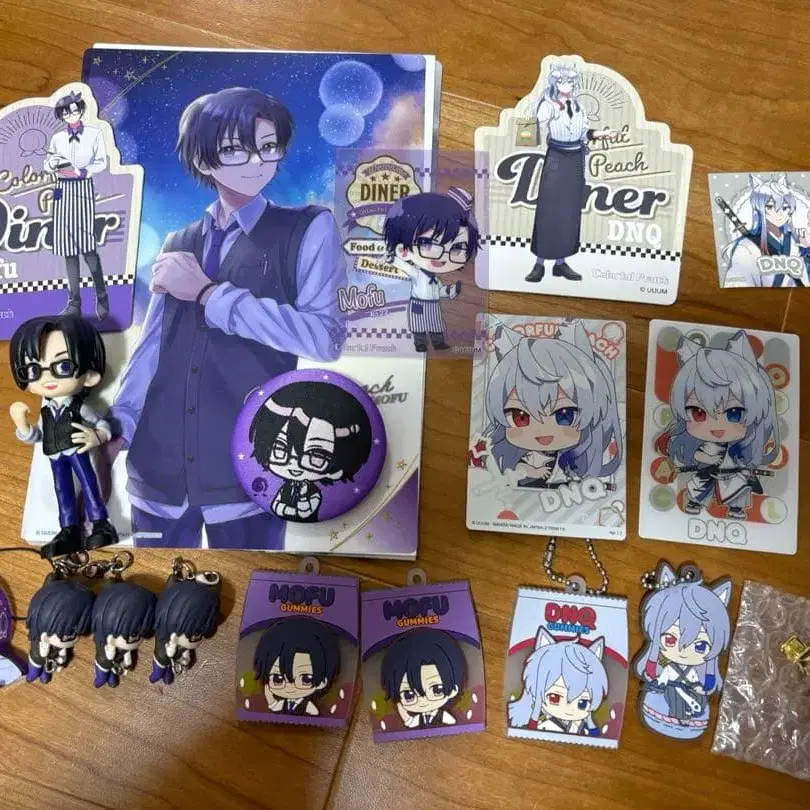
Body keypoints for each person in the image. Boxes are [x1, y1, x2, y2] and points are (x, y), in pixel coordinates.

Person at [106, 87, 346, 549]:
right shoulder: (178, 241)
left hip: (249, 473)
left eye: (268, 146)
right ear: (202, 158)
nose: (256, 162)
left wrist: (210, 295)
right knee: (151, 585)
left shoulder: (308, 228)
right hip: (157, 474)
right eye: (236, 149)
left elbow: (325, 336)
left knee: (248, 587)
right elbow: (151, 351)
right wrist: (117, 429)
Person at [9, 315, 118, 558]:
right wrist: (21, 423)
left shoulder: (79, 407)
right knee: (62, 491)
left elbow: (102, 424)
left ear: (90, 376)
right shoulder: (46, 411)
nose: (46, 378)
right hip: (55, 455)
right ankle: (69, 529)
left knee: (89, 485)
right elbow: (36, 436)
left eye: (63, 367)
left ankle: (101, 524)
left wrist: (96, 437)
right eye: (33, 370)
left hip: (77, 452)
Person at [525, 64, 611, 283]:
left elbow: (584, 133)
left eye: (571, 81)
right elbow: (531, 128)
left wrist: (600, 134)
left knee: (569, 213)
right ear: (555, 83)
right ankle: (539, 264)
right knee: (549, 211)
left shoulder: (578, 106)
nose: (568, 85)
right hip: (556, 157)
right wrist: (533, 117)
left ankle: (560, 263)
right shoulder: (548, 105)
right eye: (563, 81)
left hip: (575, 160)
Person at [249, 380, 373, 522]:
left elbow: (305, 513)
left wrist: (302, 498)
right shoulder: (285, 488)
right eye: (280, 448)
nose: (294, 464)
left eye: (316, 457)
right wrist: (286, 509)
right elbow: (276, 507)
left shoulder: (314, 493)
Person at [383, 187, 479, 352]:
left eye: (457, 248)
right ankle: (420, 343)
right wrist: (392, 258)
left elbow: (438, 291)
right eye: (426, 243)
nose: (440, 256)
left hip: (433, 305)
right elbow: (404, 266)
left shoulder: (435, 279)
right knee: (419, 326)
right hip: (419, 305)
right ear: (404, 251)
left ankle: (438, 342)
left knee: (436, 324)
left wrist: (450, 291)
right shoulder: (417, 273)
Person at [45, 90, 109, 319]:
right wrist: (53, 164)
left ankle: (101, 295)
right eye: (66, 113)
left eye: (73, 111)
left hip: (82, 189)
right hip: (62, 191)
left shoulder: (94, 134)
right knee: (67, 248)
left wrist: (81, 172)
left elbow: (101, 162)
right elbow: (47, 163)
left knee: (87, 246)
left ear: (81, 111)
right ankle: (74, 302)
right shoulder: (57, 138)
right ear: (61, 116)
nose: (70, 115)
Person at [508, 628, 607, 736]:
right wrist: (535, 712)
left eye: (582, 703)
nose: (569, 711)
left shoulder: (579, 724)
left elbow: (595, 734)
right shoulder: (542, 720)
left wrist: (589, 719)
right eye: (554, 697)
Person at [722, 174, 810, 287]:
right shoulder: (745, 247)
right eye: (769, 207)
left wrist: (807, 249)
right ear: (758, 209)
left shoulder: (796, 241)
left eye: (785, 208)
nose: (779, 213)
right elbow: (737, 285)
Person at [381, 629, 465, 729]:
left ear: (454, 690)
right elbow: (410, 723)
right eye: (409, 695)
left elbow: (453, 724)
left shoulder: (444, 716)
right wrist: (402, 712)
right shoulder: (418, 718)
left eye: (437, 690)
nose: (422, 701)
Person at [253, 617, 339, 715]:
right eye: (278, 679)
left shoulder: (308, 706)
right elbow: (275, 707)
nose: (290, 687)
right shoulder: (283, 703)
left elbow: (314, 713)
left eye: (306, 679)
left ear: (322, 682)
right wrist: (270, 699)